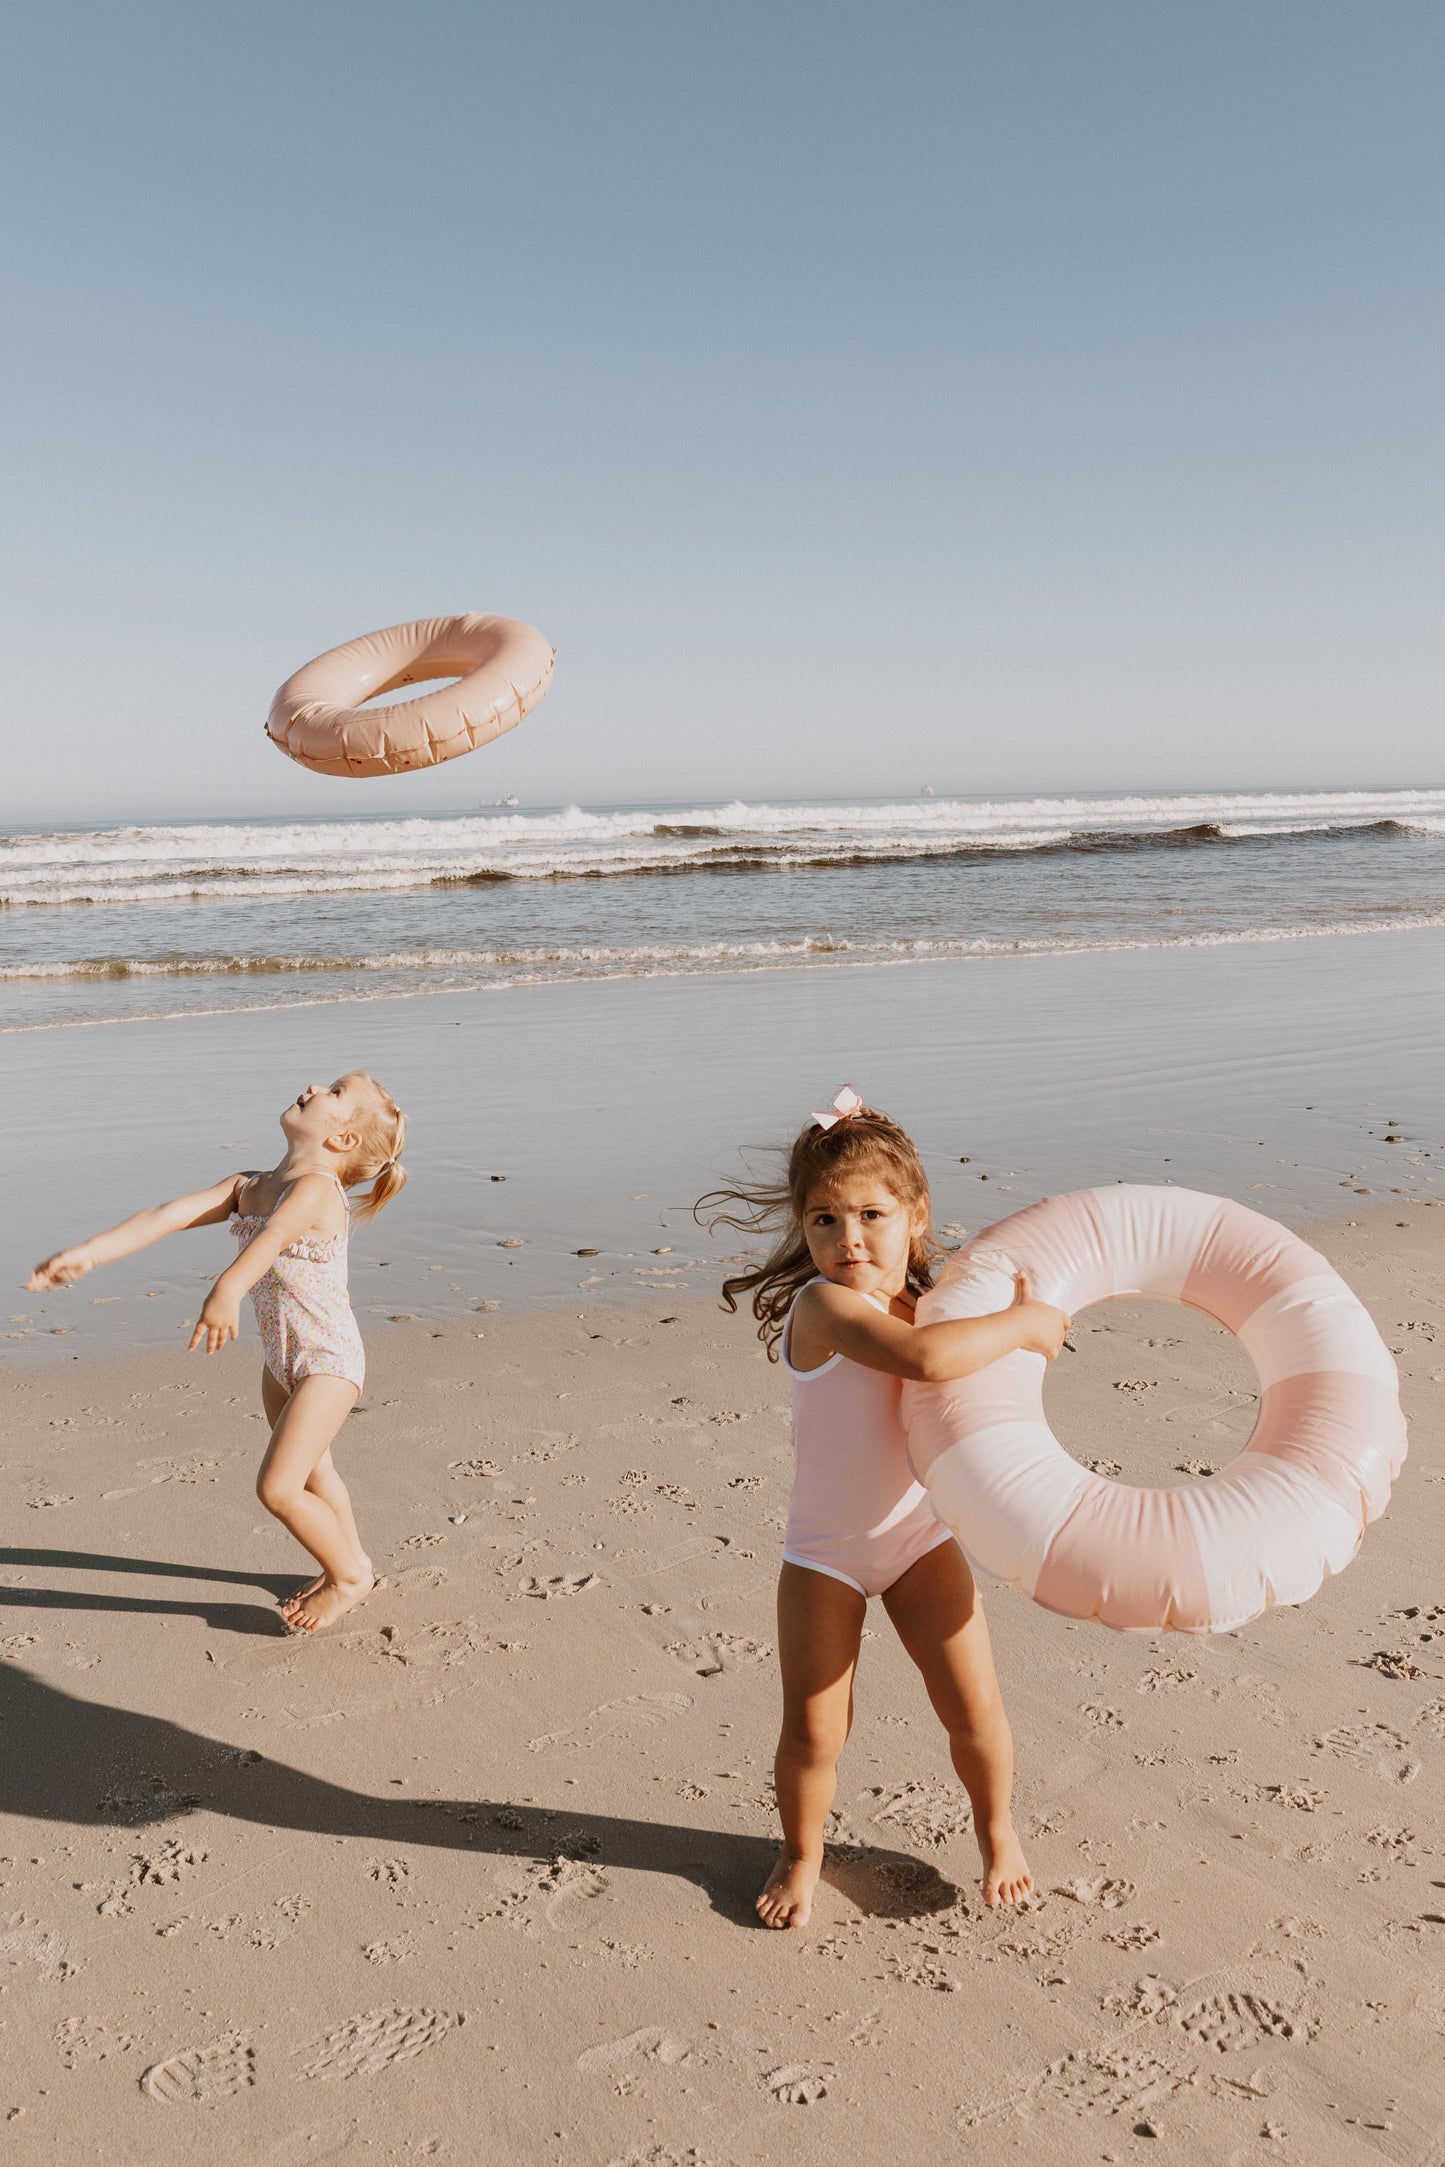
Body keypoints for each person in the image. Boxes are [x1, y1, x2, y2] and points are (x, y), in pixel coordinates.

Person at [698, 1088, 1070, 1928]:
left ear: (914, 1214)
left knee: (974, 1707)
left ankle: (999, 1832)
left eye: (870, 1212)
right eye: (823, 1219)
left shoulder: (936, 1301)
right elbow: (927, 1361)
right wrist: (1024, 1320)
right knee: (815, 1730)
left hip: (920, 1539)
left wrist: (1007, 1318)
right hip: (825, 1553)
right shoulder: (826, 1307)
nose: (847, 1237)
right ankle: (799, 1853)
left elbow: (976, 1391)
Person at [27, 1072, 407, 1634]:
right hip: (283, 1361)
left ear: (343, 1140)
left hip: (328, 1361)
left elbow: (274, 1238)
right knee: (313, 1472)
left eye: (333, 1091)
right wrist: (89, 1253)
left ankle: (348, 1576)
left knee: (277, 1488)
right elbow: (167, 1214)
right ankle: (355, 1562)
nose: (310, 1086)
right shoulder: (248, 1184)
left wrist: (225, 1291)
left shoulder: (316, 1188)